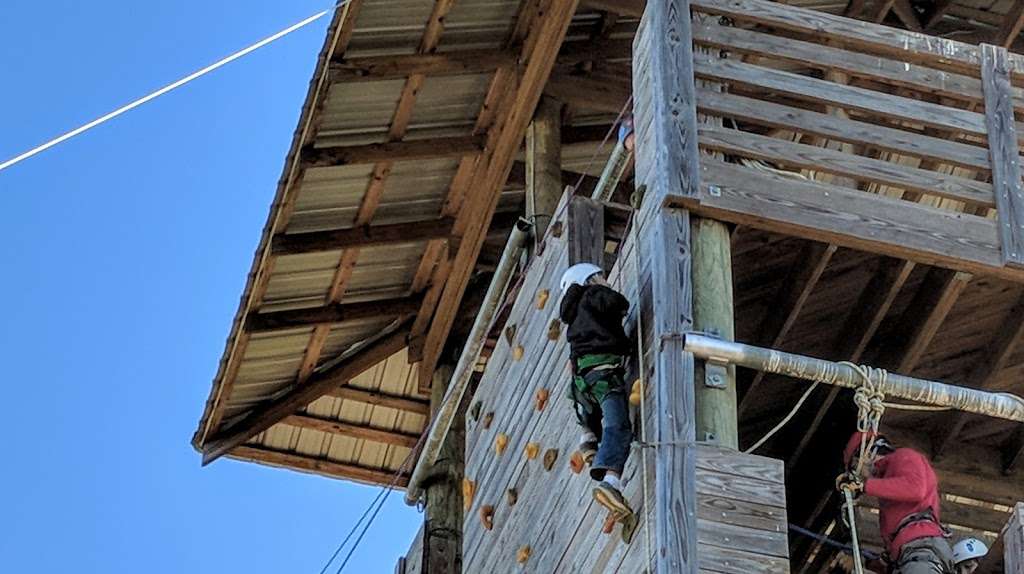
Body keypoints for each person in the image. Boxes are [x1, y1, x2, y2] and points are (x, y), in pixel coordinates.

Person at [559, 262, 633, 517]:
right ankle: (611, 480)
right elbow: (619, 303)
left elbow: (571, 364)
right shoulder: (592, 295)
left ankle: (588, 439)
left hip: (582, 383)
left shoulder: (573, 324)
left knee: (590, 410)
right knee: (618, 425)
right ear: (590, 280)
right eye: (602, 277)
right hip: (604, 373)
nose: (606, 280)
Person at [837, 431, 956, 573]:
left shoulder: (904, 456)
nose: (860, 475)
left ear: (866, 454)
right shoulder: (889, 483)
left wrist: (864, 486)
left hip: (922, 551)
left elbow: (916, 489)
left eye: (856, 466)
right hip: (913, 555)